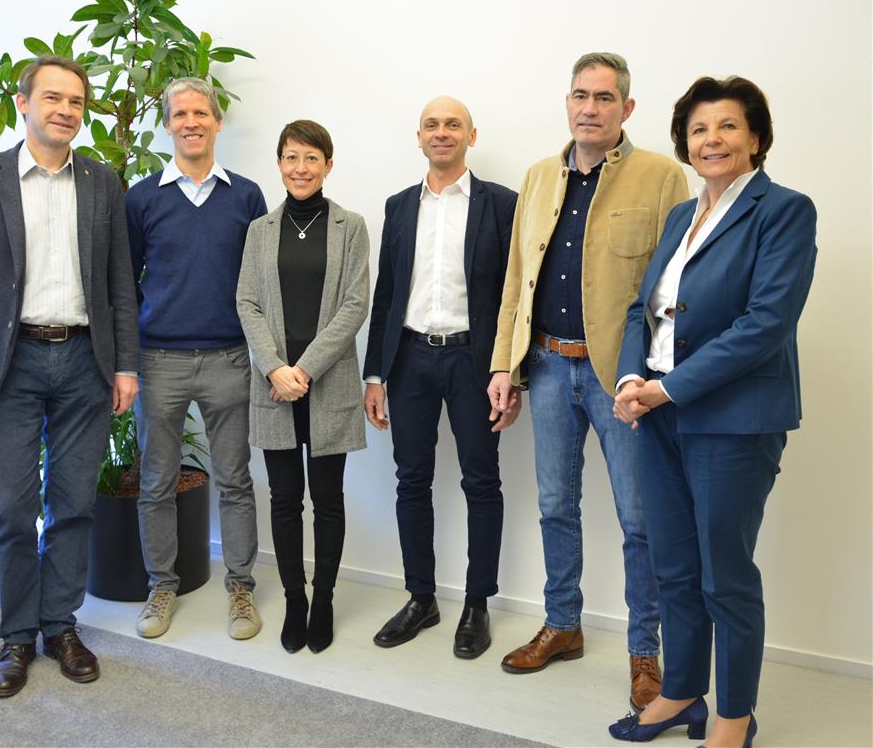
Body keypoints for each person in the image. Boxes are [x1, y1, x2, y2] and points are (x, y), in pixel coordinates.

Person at [608, 76, 816, 748]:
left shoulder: (784, 211)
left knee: (726, 576)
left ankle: (734, 716)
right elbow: (643, 309)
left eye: (727, 126)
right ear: (685, 143)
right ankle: (681, 693)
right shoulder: (680, 216)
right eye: (699, 129)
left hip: (732, 420)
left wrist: (668, 388)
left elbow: (765, 323)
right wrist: (634, 378)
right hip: (658, 414)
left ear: (755, 137)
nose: (712, 140)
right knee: (673, 567)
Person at [488, 52, 688, 710]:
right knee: (554, 506)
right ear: (567, 101)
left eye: (604, 98)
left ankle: (644, 651)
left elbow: (674, 287)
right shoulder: (539, 176)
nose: (590, 108)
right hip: (547, 366)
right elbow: (516, 280)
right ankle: (563, 625)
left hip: (621, 380)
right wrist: (503, 365)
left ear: (626, 108)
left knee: (639, 519)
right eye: (580, 95)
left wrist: (654, 378)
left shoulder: (661, 176)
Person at [0, 56, 140, 697]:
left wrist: (125, 364)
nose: (66, 110)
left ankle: (60, 626)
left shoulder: (102, 182)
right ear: (23, 102)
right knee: (11, 506)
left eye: (76, 102)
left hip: (85, 361)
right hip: (9, 364)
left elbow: (120, 283)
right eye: (53, 98)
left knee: (74, 504)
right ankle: (17, 636)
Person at [363, 96, 517, 660]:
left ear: (471, 136)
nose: (442, 132)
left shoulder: (502, 204)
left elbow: (513, 296)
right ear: (419, 136)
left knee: (482, 481)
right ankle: (420, 598)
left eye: (454, 124)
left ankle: (477, 604)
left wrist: (510, 371)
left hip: (474, 361)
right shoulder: (400, 206)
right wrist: (375, 374)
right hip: (409, 360)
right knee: (411, 480)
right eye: (432, 124)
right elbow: (386, 293)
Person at [125, 77, 267, 641]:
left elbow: (259, 283)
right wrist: (127, 361)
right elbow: (124, 282)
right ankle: (162, 586)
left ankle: (241, 589)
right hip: (158, 360)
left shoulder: (246, 196)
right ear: (167, 124)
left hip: (228, 358)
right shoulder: (142, 198)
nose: (191, 122)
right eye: (180, 114)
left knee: (234, 480)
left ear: (217, 122)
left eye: (200, 113)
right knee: (156, 482)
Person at [236, 120, 369, 654]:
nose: (300, 168)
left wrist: (304, 370)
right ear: (279, 164)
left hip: (328, 382)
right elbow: (247, 302)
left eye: (311, 158)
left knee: (328, 500)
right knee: (285, 500)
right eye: (291, 157)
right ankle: (295, 600)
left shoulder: (350, 226)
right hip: (274, 388)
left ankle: (325, 599)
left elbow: (355, 305)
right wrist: (275, 368)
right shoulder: (260, 230)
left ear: (328, 165)